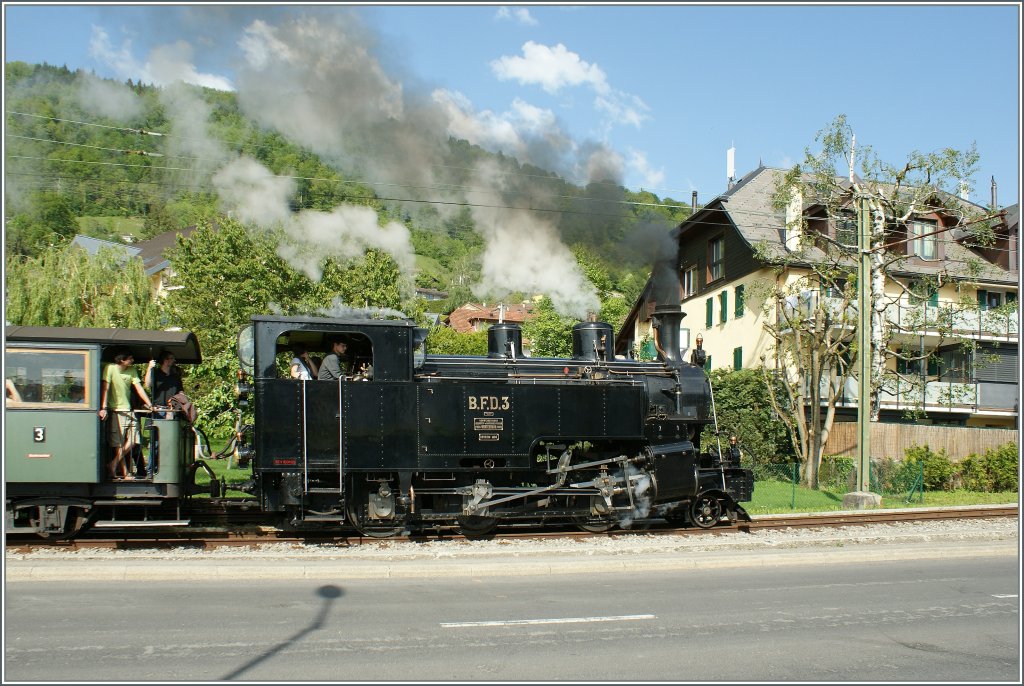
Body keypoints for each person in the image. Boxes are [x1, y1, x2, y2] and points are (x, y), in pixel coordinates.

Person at [99, 349, 153, 480]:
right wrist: (103, 407)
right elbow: (105, 388)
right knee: (119, 443)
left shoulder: (132, 370)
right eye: (130, 358)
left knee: (135, 440)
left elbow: (139, 388)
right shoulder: (110, 368)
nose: (133, 360)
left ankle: (113, 464)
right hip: (116, 410)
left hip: (129, 410)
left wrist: (150, 404)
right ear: (122, 360)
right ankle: (125, 473)